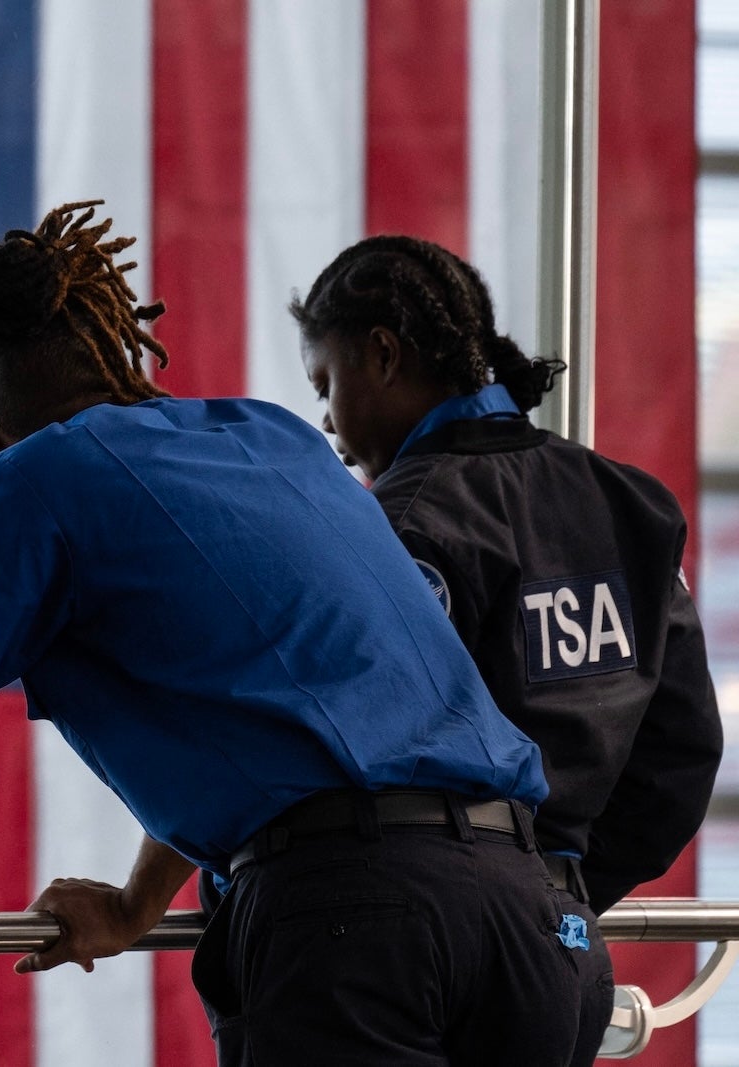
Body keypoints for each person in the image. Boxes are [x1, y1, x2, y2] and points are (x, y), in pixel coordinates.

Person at [0, 201, 582, 1066]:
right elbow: (267, 709)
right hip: (530, 911)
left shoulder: (26, 486)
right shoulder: (274, 436)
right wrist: (138, 903)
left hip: (360, 927)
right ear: (129, 372)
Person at [290, 233, 725, 1066]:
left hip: (402, 945)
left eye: (327, 384)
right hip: (554, 951)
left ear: (382, 356)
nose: (326, 422)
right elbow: (680, 756)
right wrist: (556, 886)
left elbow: (342, 736)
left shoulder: (404, 523)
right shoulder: (627, 504)